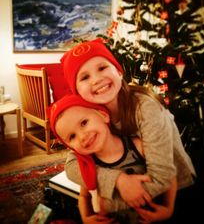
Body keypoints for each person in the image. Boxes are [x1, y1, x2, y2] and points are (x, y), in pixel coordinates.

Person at [61, 38, 196, 220]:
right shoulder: (89, 115)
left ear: (118, 71)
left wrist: (105, 205)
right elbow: (72, 166)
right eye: (84, 77)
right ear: (76, 91)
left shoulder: (145, 108)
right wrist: (117, 180)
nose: (97, 79)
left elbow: (164, 177)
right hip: (133, 185)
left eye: (102, 68)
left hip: (176, 189)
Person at [49, 94, 177, 223]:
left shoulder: (137, 146)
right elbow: (84, 196)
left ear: (103, 115)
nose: (82, 136)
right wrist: (86, 217)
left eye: (84, 123)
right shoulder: (88, 164)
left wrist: (168, 208)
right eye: (72, 137)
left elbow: (168, 174)